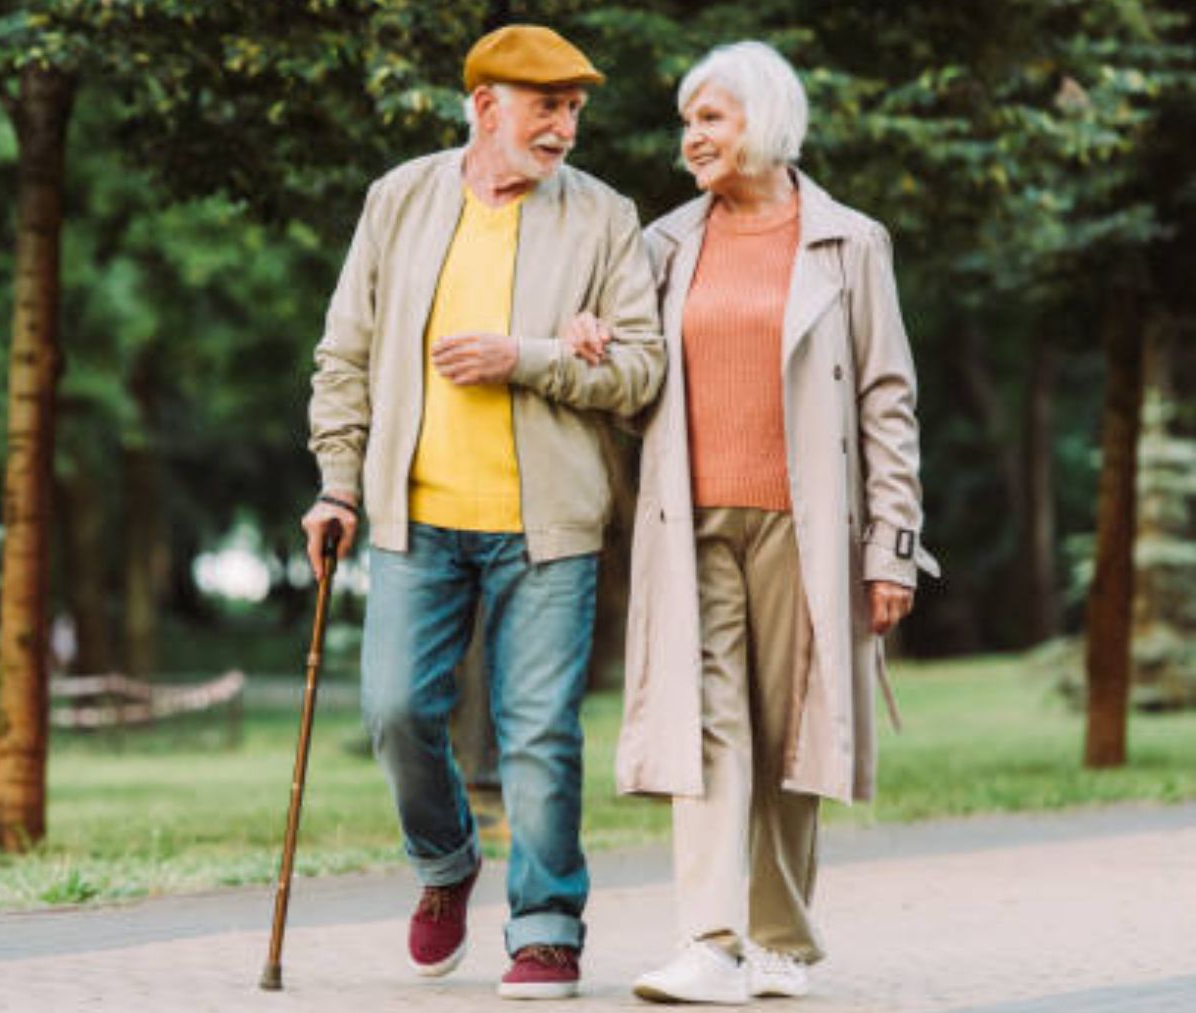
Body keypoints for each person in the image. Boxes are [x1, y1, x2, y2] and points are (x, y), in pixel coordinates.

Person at [301, 23, 665, 1001]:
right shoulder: (402, 200)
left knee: (540, 730)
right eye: (546, 106)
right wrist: (339, 481)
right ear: (485, 105)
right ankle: (446, 858)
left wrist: (533, 357)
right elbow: (345, 353)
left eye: (575, 109)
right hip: (414, 523)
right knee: (394, 711)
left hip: (547, 529)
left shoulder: (603, 217)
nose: (565, 128)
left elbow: (641, 374)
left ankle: (546, 925)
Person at [571, 40, 939, 1004]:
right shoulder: (659, 245)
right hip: (688, 521)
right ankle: (708, 939)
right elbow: (631, 384)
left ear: (765, 123)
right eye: (687, 120)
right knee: (707, 727)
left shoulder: (850, 243)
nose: (690, 137)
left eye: (711, 119)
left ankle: (783, 942)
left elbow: (886, 400)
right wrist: (591, 343)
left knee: (792, 732)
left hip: (806, 524)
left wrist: (890, 545)